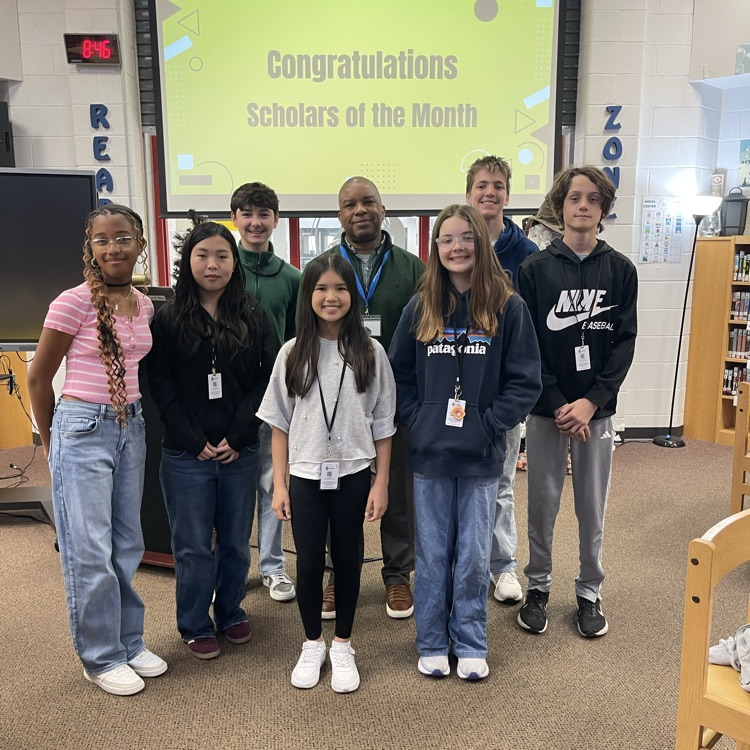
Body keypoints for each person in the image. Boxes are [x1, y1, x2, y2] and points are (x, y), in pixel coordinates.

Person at [388, 204, 541, 680]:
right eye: (446, 239)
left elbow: (525, 380)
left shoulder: (507, 306)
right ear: (435, 248)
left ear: (481, 241)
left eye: (465, 238)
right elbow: (399, 375)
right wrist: (420, 420)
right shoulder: (421, 306)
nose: (456, 247)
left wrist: (491, 422)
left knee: (474, 555)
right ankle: (432, 640)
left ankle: (471, 640)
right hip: (430, 455)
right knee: (432, 554)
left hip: (481, 454)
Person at [27, 204, 167, 696]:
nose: (113, 248)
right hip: (80, 426)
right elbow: (38, 378)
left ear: (140, 244)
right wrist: (52, 442)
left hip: (131, 426)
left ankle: (128, 643)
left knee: (127, 542)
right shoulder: (73, 302)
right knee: (89, 549)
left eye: (123, 238)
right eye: (102, 240)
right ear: (90, 248)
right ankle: (100, 656)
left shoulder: (144, 304)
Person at [257, 253, 395, 692]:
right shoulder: (292, 352)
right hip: (305, 473)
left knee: (350, 559)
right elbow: (279, 424)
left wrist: (382, 482)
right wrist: (279, 484)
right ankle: (312, 641)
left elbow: (385, 425)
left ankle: (343, 643)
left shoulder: (370, 352)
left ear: (352, 295)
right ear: (308, 295)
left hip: (354, 472)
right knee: (310, 560)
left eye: (340, 288)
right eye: (321, 289)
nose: (331, 297)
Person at [516, 165, 638, 638]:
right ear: (560, 207)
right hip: (549, 412)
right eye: (573, 198)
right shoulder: (534, 270)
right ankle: (539, 586)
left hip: (596, 413)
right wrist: (562, 403)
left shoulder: (621, 270)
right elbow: (528, 347)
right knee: (542, 502)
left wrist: (591, 403)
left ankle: (589, 590)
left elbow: (624, 343)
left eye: (592, 199)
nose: (582, 206)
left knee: (592, 504)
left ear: (603, 209)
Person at [148, 221, 277, 659]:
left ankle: (231, 612)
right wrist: (193, 438)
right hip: (187, 454)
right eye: (203, 255)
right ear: (188, 261)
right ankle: (195, 622)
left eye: (222, 255)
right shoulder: (167, 318)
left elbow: (267, 379)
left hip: (240, 450)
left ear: (234, 262)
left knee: (237, 542)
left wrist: (239, 436)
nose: (212, 264)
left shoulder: (253, 314)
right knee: (193, 545)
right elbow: (159, 385)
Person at [318, 176, 424, 621]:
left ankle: (397, 575)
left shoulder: (414, 267)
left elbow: (426, 333)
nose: (359, 210)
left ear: (383, 209)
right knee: (333, 486)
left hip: (393, 394)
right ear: (339, 214)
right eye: (349, 204)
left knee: (396, 487)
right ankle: (334, 572)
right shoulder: (322, 266)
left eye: (368, 202)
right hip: (336, 398)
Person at [465, 155, 539, 605]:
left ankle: (503, 566)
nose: (488, 193)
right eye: (480, 186)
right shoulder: (455, 244)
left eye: (497, 186)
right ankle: (465, 560)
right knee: (458, 481)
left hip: (503, 394)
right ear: (468, 193)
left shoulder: (527, 257)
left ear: (507, 196)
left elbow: (530, 332)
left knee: (502, 482)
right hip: (457, 392)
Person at [231, 181, 301, 603]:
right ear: (235, 217)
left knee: (274, 483)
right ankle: (237, 566)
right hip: (231, 400)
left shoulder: (293, 277)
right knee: (237, 487)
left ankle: (273, 567)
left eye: (264, 214)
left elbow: (297, 342)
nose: (256, 222)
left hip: (275, 399)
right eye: (247, 213)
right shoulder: (220, 269)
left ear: (276, 220)